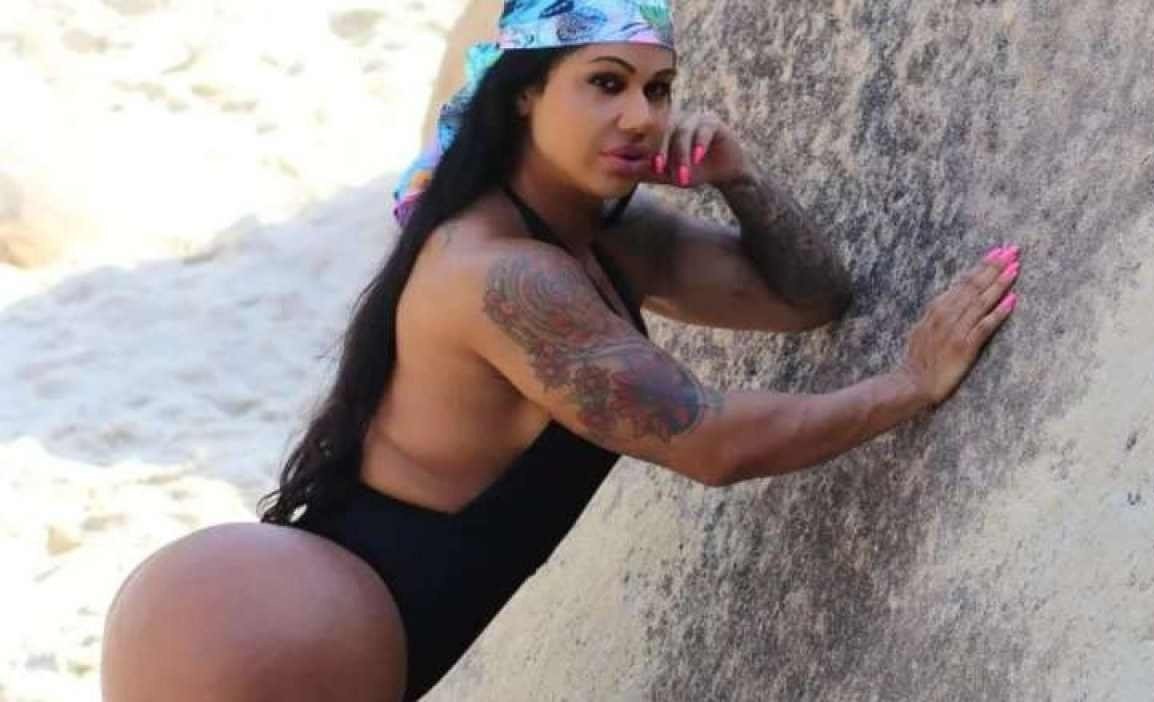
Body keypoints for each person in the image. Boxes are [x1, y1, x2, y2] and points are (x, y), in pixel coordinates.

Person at [100, 1, 1023, 700]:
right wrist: (909, 385)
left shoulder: (604, 240)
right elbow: (712, 445)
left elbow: (808, 297)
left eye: (659, 88)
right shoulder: (505, 277)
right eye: (606, 83)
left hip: (268, 611)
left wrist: (738, 178)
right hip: (279, 640)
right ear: (525, 95)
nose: (642, 116)